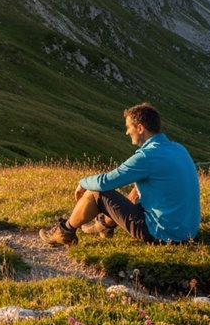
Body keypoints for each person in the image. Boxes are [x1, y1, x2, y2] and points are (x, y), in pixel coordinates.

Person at [40, 103, 200, 247]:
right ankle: (104, 226)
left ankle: (64, 231)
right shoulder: (178, 148)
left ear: (140, 128)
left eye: (129, 127)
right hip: (188, 232)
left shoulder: (147, 156)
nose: (126, 132)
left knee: (96, 192)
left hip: (161, 234)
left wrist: (82, 182)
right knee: (139, 187)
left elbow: (105, 183)